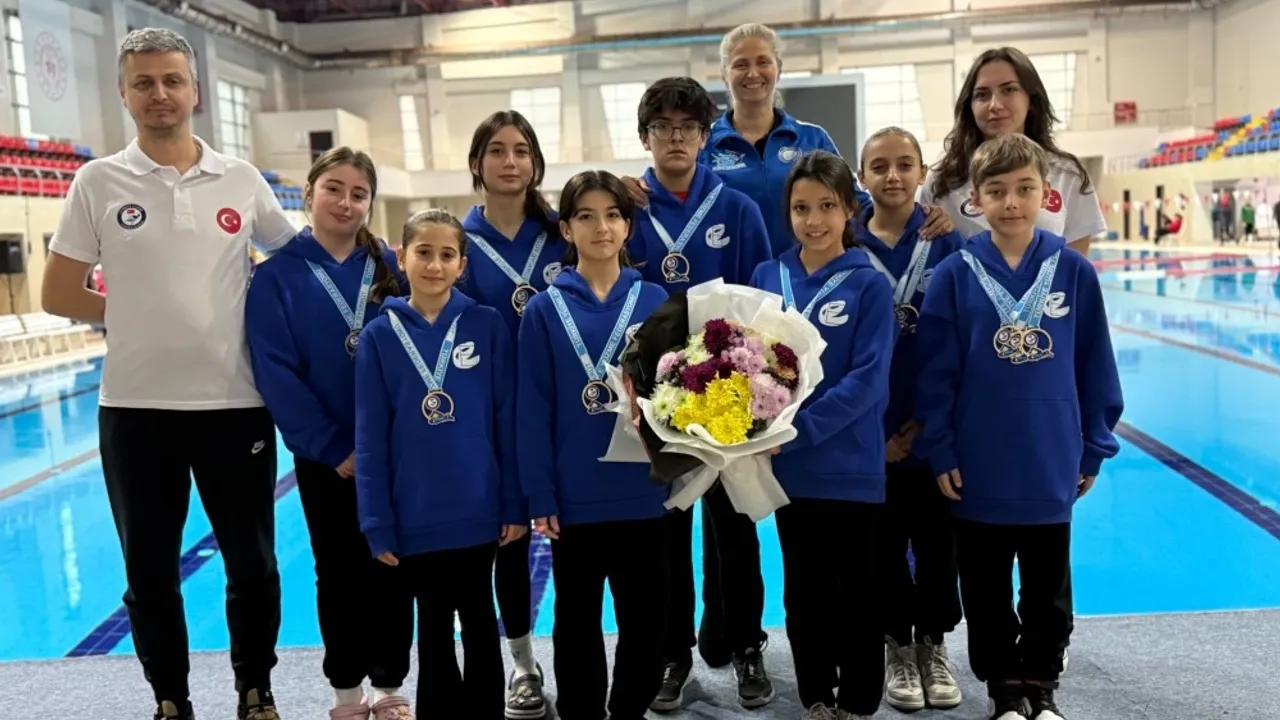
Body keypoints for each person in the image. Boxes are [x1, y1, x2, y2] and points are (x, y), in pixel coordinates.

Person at [41, 28, 296, 720]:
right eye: (144, 83)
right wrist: (135, 316)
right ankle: (170, 699)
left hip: (234, 405)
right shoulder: (98, 181)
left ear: (195, 91)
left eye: (172, 80)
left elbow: (298, 266)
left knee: (253, 566)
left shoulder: (241, 179)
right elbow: (57, 293)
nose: (160, 94)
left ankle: (256, 689)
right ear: (123, 95)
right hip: (136, 410)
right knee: (150, 572)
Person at [915, 134, 1124, 720]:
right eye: (997, 191)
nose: (1011, 202)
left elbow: (1095, 364)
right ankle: (1004, 689)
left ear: (1046, 195)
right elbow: (936, 375)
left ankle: (1042, 683)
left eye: (1024, 189)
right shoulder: (955, 274)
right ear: (976, 199)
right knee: (985, 591)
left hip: (1050, 461)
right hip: (979, 463)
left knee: (1047, 591)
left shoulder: (1073, 272)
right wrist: (941, 448)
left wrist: (1093, 446)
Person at [245, 147, 415, 720]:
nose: (345, 202)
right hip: (328, 458)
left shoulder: (391, 267)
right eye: (333, 189)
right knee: (338, 572)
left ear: (370, 202)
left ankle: (389, 685)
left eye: (358, 193)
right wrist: (330, 446)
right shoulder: (276, 277)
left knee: (394, 566)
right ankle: (346, 690)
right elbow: (275, 372)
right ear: (309, 193)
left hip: (394, 451)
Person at [626, 76, 775, 713]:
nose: (675, 138)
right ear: (645, 137)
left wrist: (755, 387)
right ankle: (673, 654)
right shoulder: (627, 208)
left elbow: (762, 302)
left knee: (735, 527)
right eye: (662, 127)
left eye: (688, 127)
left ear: (706, 137)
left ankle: (745, 644)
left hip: (725, 398)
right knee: (665, 536)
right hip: (653, 400)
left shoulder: (736, 209)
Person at [355, 209, 528, 719]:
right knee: (431, 628)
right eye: (424, 253)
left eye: (447, 255)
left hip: (479, 507)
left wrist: (514, 502)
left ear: (462, 265)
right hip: (416, 513)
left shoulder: (487, 325)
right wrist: (377, 521)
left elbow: (506, 420)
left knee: (479, 621)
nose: (434, 265)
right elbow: (370, 437)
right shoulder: (380, 336)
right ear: (402, 258)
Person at [516, 171, 671, 720]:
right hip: (575, 497)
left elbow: (678, 398)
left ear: (628, 226)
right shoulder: (543, 310)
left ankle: (628, 711)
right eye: (586, 216)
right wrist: (540, 494)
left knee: (646, 625)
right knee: (577, 624)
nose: (600, 226)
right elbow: (532, 408)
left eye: (612, 215)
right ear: (566, 229)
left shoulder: (656, 301)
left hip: (644, 493)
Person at [748, 150, 896, 720]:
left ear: (850, 210)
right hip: (790, 469)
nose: (814, 220)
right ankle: (815, 696)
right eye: (801, 208)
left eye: (827, 206)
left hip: (851, 465)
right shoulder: (767, 278)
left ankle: (858, 702)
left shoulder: (869, 284)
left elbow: (869, 379)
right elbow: (747, 364)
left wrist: (800, 429)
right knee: (805, 591)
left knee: (859, 592)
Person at [853, 127, 966, 714]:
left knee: (939, 542)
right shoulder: (845, 245)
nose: (892, 176)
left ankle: (934, 643)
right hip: (870, 428)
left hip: (934, 424)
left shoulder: (947, 243)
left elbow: (960, 342)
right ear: (862, 177)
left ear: (923, 173)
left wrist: (930, 423)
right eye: (879, 166)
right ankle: (897, 643)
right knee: (883, 542)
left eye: (904, 164)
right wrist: (874, 435)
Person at [462, 109, 563, 719]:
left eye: (521, 150)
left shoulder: (561, 234)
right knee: (504, 543)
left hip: (560, 414)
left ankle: (578, 656)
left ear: (535, 162)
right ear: (477, 163)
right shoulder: (457, 241)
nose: (510, 161)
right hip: (486, 420)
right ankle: (522, 664)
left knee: (572, 540)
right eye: (497, 150)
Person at [922, 47, 1106, 256]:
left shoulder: (1067, 174)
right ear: (969, 107)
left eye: (1009, 90)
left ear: (1031, 100)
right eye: (982, 95)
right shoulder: (941, 182)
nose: (994, 105)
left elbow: (1076, 267)